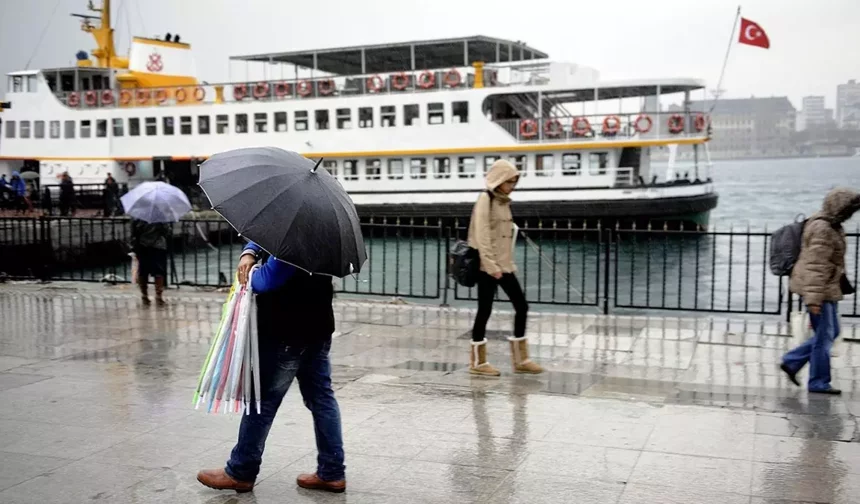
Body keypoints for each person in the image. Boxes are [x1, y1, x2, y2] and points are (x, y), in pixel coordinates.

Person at [197, 242, 346, 494]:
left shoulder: (293, 237)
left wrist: (250, 270)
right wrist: (250, 251)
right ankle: (332, 472)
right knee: (322, 399)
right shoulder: (323, 233)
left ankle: (240, 471)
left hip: (286, 332)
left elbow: (267, 281)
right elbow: (265, 242)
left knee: (262, 403)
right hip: (318, 326)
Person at [467, 159, 543, 376]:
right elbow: (482, 234)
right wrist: (491, 265)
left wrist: (507, 264)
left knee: (521, 306)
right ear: (499, 180)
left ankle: (521, 359)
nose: (512, 186)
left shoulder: (503, 201)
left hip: (504, 265)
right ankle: (478, 363)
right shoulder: (486, 199)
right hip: (488, 266)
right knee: (485, 310)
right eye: (509, 181)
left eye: (514, 182)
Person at [781, 187, 860, 395]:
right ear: (839, 207)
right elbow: (815, 266)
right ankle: (818, 382)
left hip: (826, 288)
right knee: (824, 337)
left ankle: (792, 361)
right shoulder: (823, 229)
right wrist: (814, 300)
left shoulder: (830, 225)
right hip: (820, 290)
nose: (851, 214)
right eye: (849, 209)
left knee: (831, 332)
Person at [130, 218, 170, 306]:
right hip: (158, 246)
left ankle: (144, 295)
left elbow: (133, 232)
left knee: (143, 270)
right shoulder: (160, 217)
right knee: (159, 271)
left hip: (142, 246)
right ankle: (158, 295)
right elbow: (166, 231)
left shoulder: (138, 217)